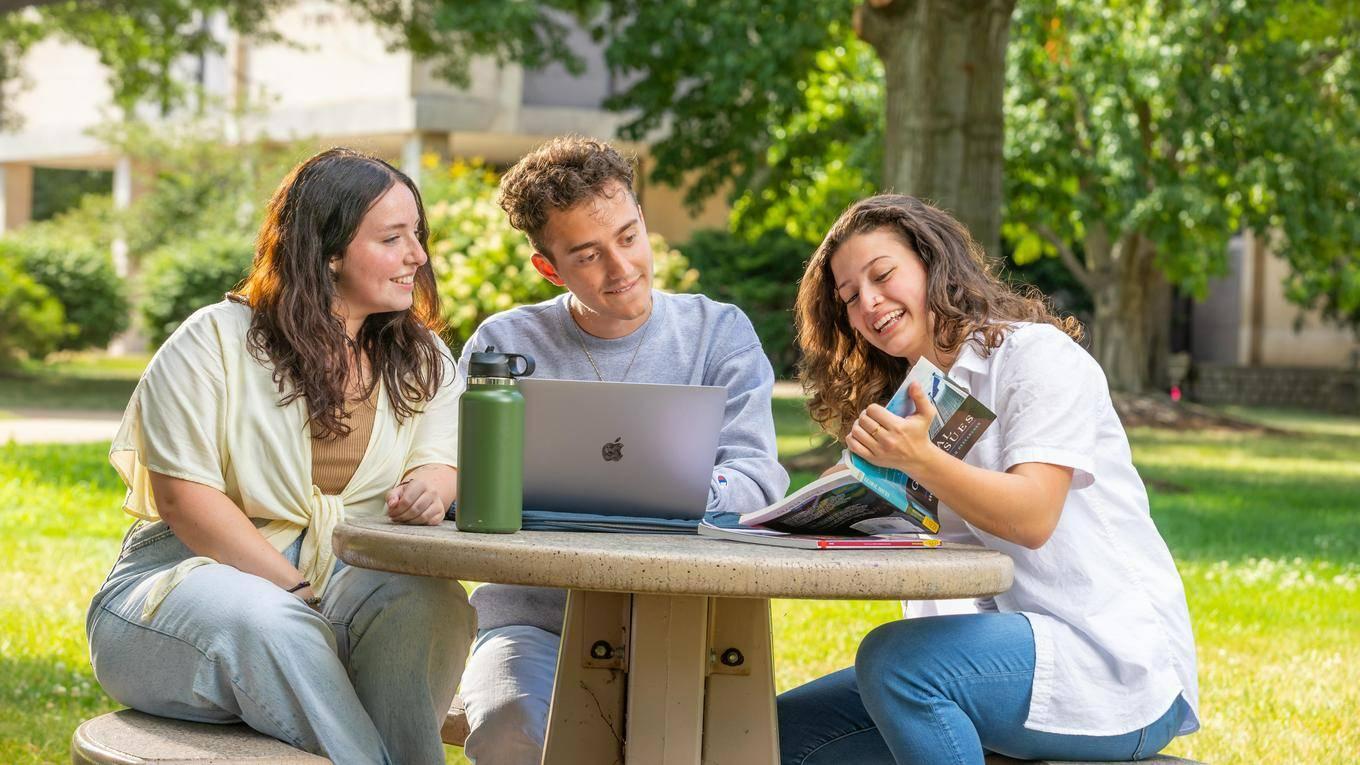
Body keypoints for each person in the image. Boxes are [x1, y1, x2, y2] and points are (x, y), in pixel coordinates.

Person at [86, 148, 476, 765]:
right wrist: (295, 589)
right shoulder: (213, 339)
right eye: (392, 238)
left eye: (417, 235)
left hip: (337, 588)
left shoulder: (422, 358)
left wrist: (436, 481)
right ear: (327, 251)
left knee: (431, 605)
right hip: (184, 591)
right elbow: (184, 500)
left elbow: (442, 454)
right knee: (271, 621)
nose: (418, 256)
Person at [778, 195, 1199, 765]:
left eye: (882, 275)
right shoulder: (907, 401)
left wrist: (920, 460)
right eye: (850, 298)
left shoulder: (1037, 358)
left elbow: (1031, 518)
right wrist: (841, 499)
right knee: (780, 732)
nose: (869, 302)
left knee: (897, 665)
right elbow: (900, 532)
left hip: (1107, 663)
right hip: (981, 667)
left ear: (933, 263)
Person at [454, 136, 790, 764]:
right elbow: (465, 484)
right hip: (532, 619)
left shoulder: (719, 333)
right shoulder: (503, 344)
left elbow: (759, 482)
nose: (622, 268)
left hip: (683, 623)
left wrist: (676, 490)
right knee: (510, 729)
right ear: (550, 269)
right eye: (588, 255)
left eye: (629, 237)